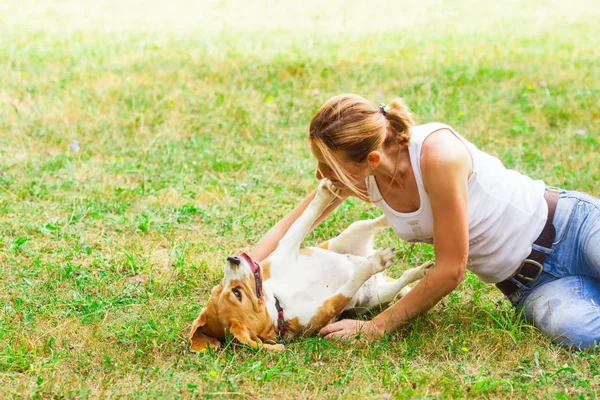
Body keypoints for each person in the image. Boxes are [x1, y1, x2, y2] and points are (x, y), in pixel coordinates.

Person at [249, 94, 600, 350]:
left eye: (329, 166)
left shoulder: (437, 155)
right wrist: (247, 270)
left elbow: (451, 270)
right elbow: (292, 225)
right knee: (580, 333)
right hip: (532, 286)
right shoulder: (362, 175)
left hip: (573, 226)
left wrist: (375, 328)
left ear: (372, 158)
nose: (321, 175)